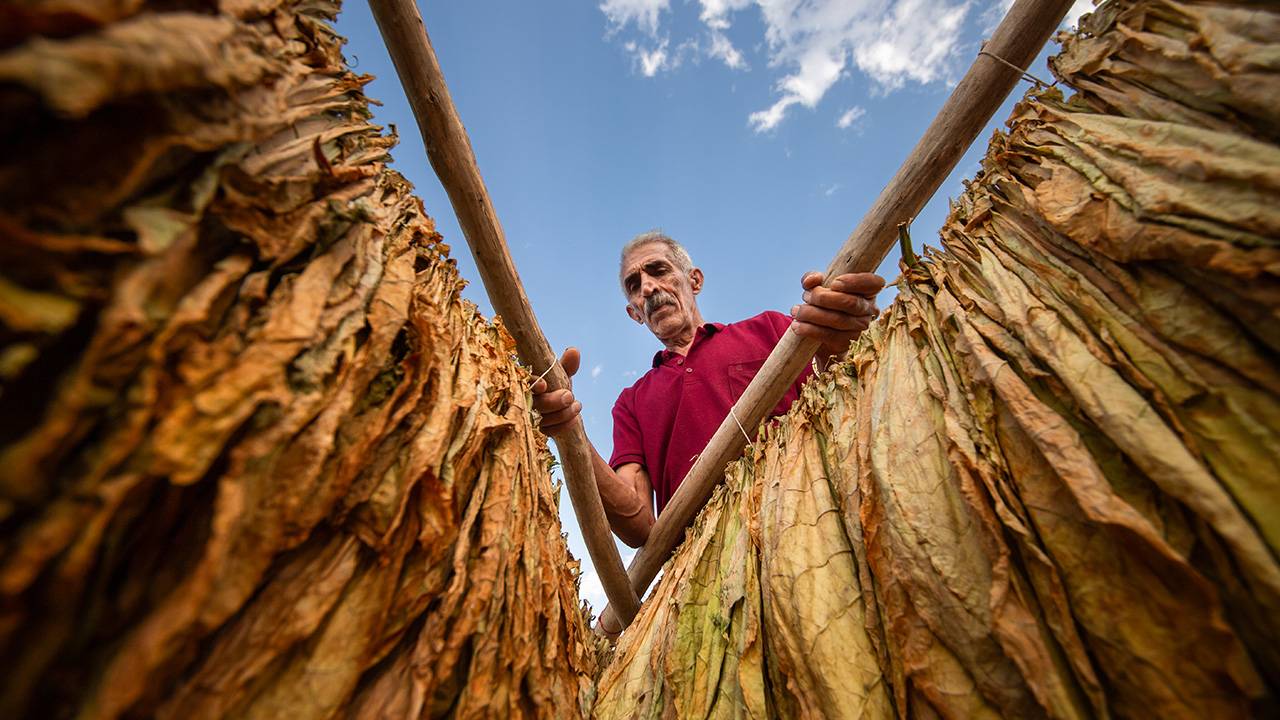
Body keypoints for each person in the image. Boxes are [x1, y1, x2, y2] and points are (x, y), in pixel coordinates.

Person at [532, 231, 883, 548]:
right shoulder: (631, 403)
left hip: (814, 519)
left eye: (658, 270)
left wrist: (843, 340)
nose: (649, 288)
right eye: (635, 285)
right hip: (705, 562)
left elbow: (843, 399)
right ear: (634, 313)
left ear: (694, 280)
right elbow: (638, 526)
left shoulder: (774, 330)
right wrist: (569, 432)